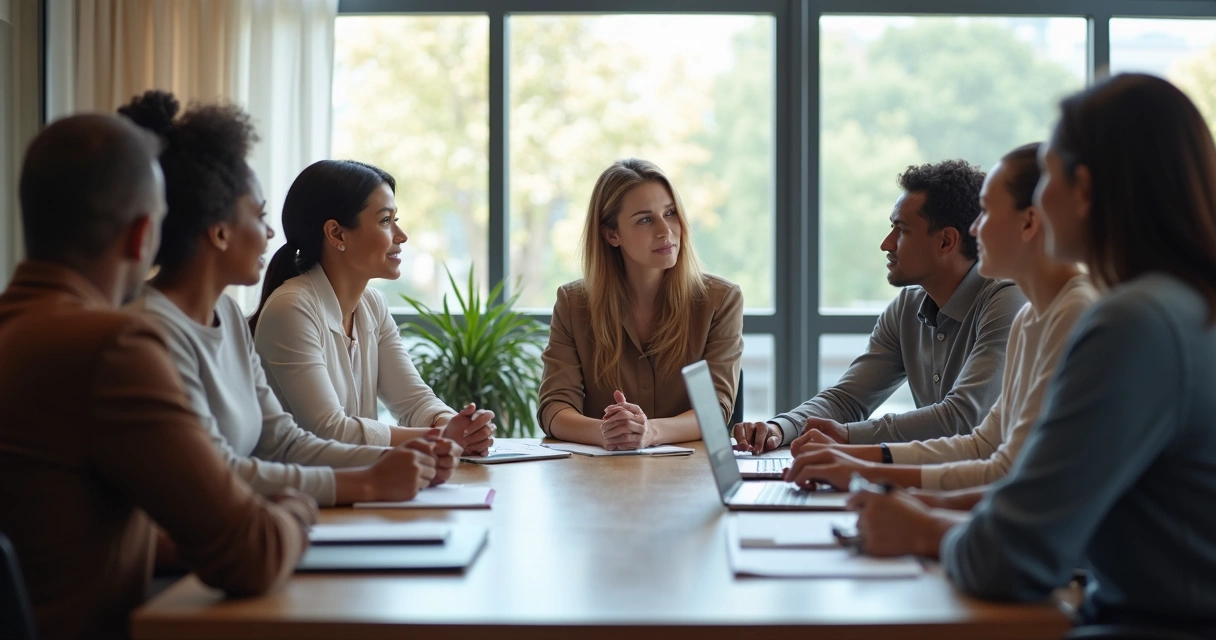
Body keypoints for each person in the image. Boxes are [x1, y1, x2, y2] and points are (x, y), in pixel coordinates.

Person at [845, 74, 1216, 632]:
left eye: (1050, 178)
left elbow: (1013, 554)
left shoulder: (1132, 322)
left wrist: (918, 530)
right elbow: (1026, 496)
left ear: (1083, 189)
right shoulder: (1182, 305)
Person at [0, 114, 315, 640]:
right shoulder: (111, 345)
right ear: (145, 233)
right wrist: (294, 511)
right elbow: (252, 554)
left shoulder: (22, 329)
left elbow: (68, 528)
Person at [120, 91, 454, 508]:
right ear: (220, 232)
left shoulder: (224, 311)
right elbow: (217, 471)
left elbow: (282, 440)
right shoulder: (150, 332)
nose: (270, 235)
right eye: (259, 217)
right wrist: (370, 480)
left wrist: (406, 458)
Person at [784, 143, 1097, 491]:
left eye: (987, 213)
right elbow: (986, 449)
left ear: (1029, 222)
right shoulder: (1032, 318)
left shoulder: (1062, 310)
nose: (975, 230)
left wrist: (864, 465)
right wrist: (857, 465)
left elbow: (998, 461)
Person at [733, 160, 1026, 452]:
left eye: (901, 230)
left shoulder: (1008, 300)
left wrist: (848, 436)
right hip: (939, 481)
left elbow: (963, 418)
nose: (886, 243)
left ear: (946, 242)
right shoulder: (907, 308)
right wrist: (779, 428)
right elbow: (847, 400)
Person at [250, 159, 494, 455]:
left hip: (354, 487)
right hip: (300, 494)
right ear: (337, 234)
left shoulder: (372, 304)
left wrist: (454, 425)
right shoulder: (291, 308)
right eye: (385, 220)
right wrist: (441, 437)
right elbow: (329, 430)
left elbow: (414, 401)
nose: (401, 236)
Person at [537, 158, 743, 450]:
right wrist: (609, 432)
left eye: (670, 213)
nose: (665, 230)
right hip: (600, 478)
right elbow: (554, 408)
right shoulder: (573, 304)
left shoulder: (720, 301)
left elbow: (714, 411)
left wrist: (649, 433)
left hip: (691, 475)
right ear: (612, 234)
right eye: (645, 219)